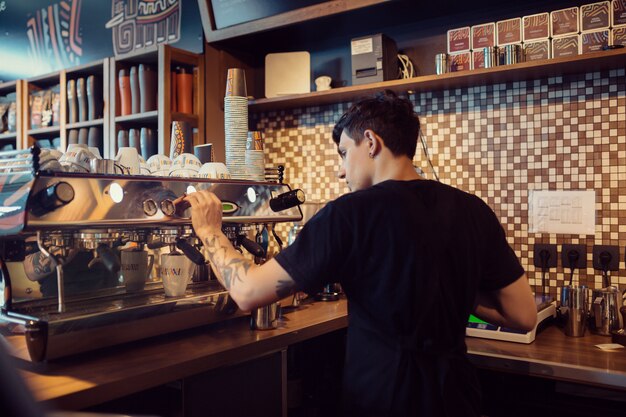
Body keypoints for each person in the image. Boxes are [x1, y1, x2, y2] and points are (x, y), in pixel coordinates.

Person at [181, 90, 537, 416]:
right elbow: (523, 315)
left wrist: (210, 230)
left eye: (343, 153)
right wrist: (449, 282)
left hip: (382, 398)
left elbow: (246, 292)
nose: (339, 170)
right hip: (458, 399)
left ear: (370, 142)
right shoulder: (473, 210)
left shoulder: (350, 214)